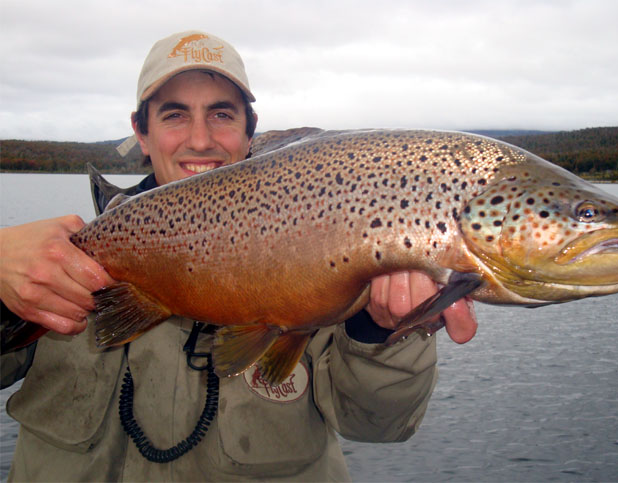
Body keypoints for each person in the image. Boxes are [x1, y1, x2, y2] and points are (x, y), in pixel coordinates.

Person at [0, 31, 478, 481]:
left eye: (222, 114)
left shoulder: (323, 255)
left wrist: (382, 329)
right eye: (174, 115)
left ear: (251, 131)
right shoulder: (62, 261)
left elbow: (377, 425)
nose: (201, 139)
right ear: (141, 133)